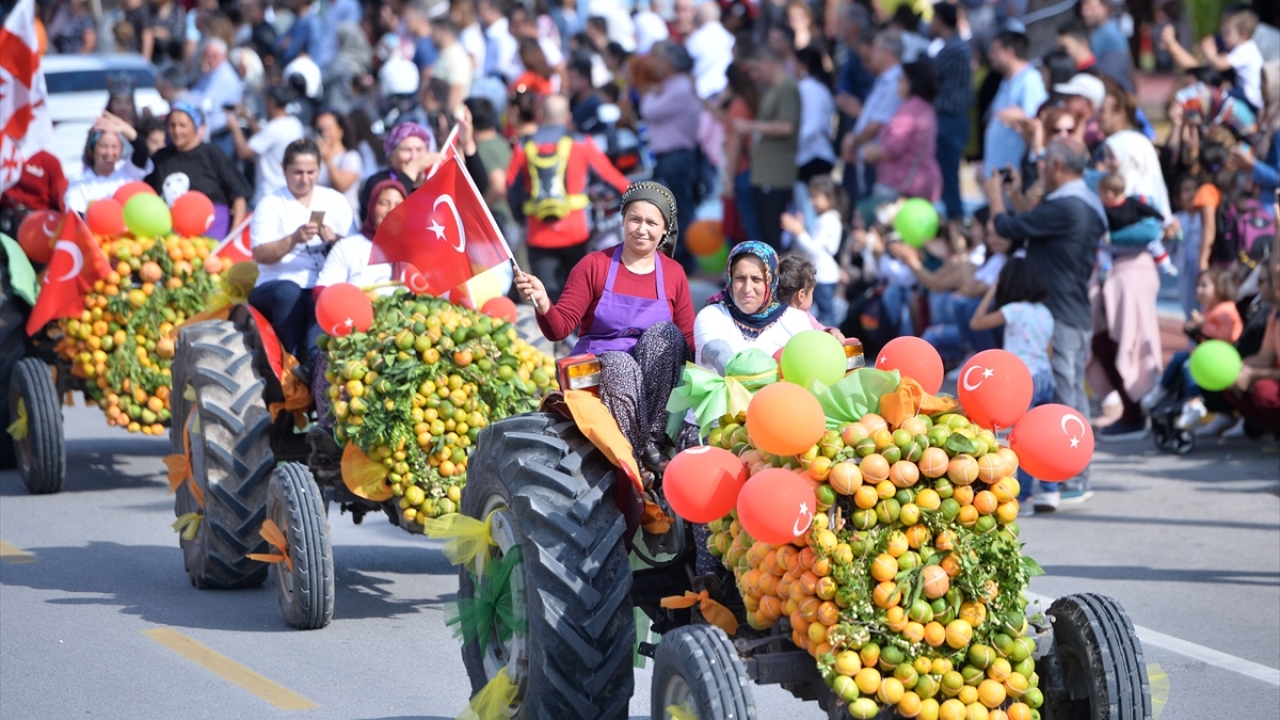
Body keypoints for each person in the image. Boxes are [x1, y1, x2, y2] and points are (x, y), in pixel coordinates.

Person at [514, 181, 694, 473]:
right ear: (622, 220)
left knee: (668, 336)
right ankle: (641, 456)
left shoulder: (674, 273)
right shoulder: (594, 265)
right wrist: (543, 301)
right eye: (634, 219)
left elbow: (688, 339)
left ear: (665, 230)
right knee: (621, 364)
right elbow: (559, 330)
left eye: (651, 223)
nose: (641, 229)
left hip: (653, 382)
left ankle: (654, 442)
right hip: (597, 371)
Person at [990, 139, 1106, 501]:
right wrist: (1015, 194)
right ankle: (1070, 476)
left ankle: (1071, 478)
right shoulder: (1080, 202)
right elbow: (1034, 223)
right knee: (1071, 396)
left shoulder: (1067, 206)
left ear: (1056, 165)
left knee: (1066, 399)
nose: (1040, 168)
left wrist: (994, 195)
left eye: (1044, 163)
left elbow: (1008, 227)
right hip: (1072, 312)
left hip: (1064, 316)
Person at [506, 94, 631, 303]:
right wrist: (637, 198)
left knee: (548, 301)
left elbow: (510, 188)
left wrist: (520, 218)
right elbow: (612, 178)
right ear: (568, 116)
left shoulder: (523, 145)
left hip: (538, 235)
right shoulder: (581, 142)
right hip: (577, 232)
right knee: (580, 296)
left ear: (540, 115)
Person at [249, 139, 355, 373]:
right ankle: (290, 363)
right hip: (277, 283)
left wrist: (334, 238)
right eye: (297, 172)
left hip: (321, 284)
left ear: (320, 170)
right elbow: (261, 254)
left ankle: (317, 370)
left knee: (325, 298)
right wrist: (293, 239)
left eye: (311, 172)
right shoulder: (270, 204)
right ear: (283, 169)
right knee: (289, 292)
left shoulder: (335, 200)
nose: (305, 179)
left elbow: (355, 248)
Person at [968, 249, 1056, 510]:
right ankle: (1050, 491)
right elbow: (1049, 350)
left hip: (1024, 379)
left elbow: (976, 322)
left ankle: (1025, 494)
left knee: (1023, 438)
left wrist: (991, 291)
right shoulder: (1045, 312)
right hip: (1045, 376)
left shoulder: (1013, 310)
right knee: (1045, 436)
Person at [694, 241, 839, 374]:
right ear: (730, 278)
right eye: (740, 278)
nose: (747, 288)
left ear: (771, 282)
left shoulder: (796, 320)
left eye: (756, 279)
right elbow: (718, 354)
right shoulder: (712, 315)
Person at [1143, 267, 1243, 430]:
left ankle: (1194, 401)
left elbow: (1226, 338)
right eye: (1198, 286)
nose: (1198, 290)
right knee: (1178, 357)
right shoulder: (1209, 310)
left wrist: (1203, 327)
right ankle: (1162, 389)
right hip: (1208, 354)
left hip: (1221, 358)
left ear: (1220, 288)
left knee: (1189, 365)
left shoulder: (1226, 311)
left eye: (1204, 286)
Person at [146, 101, 250, 238]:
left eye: (183, 125)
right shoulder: (161, 158)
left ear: (195, 126)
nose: (177, 131)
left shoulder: (212, 153)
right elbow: (147, 193)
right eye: (172, 125)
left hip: (213, 233)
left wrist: (233, 236)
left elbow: (239, 196)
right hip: (173, 237)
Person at [641, 41, 702, 268]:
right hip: (672, 158)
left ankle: (686, 261)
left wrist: (650, 93)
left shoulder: (680, 87)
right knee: (673, 209)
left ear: (669, 64)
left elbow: (649, 110)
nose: (654, 65)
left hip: (677, 157)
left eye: (659, 60)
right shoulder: (673, 85)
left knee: (679, 210)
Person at [739, 45, 800, 252]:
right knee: (766, 233)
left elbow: (787, 127)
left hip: (776, 175)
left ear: (767, 64)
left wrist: (750, 126)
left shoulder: (788, 88)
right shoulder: (773, 90)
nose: (754, 76)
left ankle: (776, 271)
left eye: (755, 69)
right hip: (764, 174)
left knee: (774, 234)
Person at [860, 60, 942, 212]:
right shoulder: (924, 106)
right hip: (919, 180)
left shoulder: (911, 110)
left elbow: (893, 147)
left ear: (913, 82)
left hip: (901, 184)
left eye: (902, 79)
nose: (898, 83)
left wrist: (872, 151)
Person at [1161, 5, 1263, 110]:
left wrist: (1210, 53)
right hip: (1247, 94)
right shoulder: (1241, 49)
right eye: (1222, 33)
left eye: (1227, 33)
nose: (1223, 37)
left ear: (1243, 35)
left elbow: (1219, 65)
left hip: (1249, 96)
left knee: (1214, 94)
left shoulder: (1245, 49)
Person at [842, 30, 904, 200]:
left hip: (876, 159)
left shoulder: (896, 82)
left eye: (874, 50)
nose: (871, 54)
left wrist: (854, 141)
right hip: (867, 157)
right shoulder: (883, 79)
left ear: (888, 53)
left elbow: (875, 125)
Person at [316, 179, 407, 294]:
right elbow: (323, 290)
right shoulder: (348, 247)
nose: (391, 210)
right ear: (372, 207)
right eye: (384, 203)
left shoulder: (416, 251)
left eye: (398, 205)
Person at [983, 25, 1047, 182]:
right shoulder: (1007, 81)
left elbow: (1038, 125)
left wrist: (1022, 119)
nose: (990, 56)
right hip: (999, 174)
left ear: (1009, 52)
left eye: (994, 51)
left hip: (1014, 175)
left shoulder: (1030, 81)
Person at [226, 85, 305, 205]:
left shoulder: (273, 129)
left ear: (271, 102)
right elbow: (265, 135)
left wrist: (234, 127)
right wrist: (247, 117)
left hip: (268, 195)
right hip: (287, 193)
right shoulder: (295, 124)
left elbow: (243, 152)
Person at [780, 175, 842, 327]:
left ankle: (831, 337)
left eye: (816, 197)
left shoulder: (828, 220)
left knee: (826, 316)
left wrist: (799, 231)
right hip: (822, 275)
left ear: (830, 198)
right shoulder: (825, 219)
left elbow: (814, 249)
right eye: (811, 197)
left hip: (824, 276)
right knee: (820, 314)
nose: (812, 202)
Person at [929, 2, 971, 223]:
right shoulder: (955, 46)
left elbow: (930, 77)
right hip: (951, 120)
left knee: (948, 177)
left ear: (940, 21)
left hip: (950, 120)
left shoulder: (954, 49)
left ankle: (956, 223)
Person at [64, 113, 154, 214]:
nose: (109, 153)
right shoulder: (78, 183)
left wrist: (125, 128)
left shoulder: (129, 171)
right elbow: (75, 215)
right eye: (103, 146)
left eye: (114, 147)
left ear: (121, 150)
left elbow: (142, 151)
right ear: (92, 149)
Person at [1096, 172, 1174, 278]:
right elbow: (1147, 209)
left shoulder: (1105, 210)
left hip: (1119, 246)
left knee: (1102, 248)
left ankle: (1106, 268)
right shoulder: (1132, 202)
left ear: (1109, 194)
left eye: (1099, 194)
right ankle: (1166, 266)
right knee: (1155, 245)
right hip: (1141, 244)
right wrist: (1161, 217)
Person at [357, 122, 436, 221]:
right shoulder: (377, 183)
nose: (414, 157)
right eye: (407, 150)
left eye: (419, 150)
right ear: (391, 156)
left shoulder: (435, 182)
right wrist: (411, 170)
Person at [190, 38, 245, 158]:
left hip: (221, 136)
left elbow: (206, 104)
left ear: (223, 56)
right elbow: (195, 94)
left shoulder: (225, 77)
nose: (208, 59)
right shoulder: (212, 72)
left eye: (213, 56)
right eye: (206, 55)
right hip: (212, 135)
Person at [0, 151, 67, 239]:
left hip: (37, 227)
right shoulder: (5, 150)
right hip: (5, 218)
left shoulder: (48, 159)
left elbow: (62, 199)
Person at [313, 110, 364, 213]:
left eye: (328, 129)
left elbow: (341, 186)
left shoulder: (351, 157)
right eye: (320, 130)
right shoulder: (314, 158)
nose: (324, 134)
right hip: (319, 213)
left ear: (341, 130)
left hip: (344, 214)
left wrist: (328, 159)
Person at [1078, 0, 1133, 93]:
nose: (1085, 12)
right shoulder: (1097, 31)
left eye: (1090, 8)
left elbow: (1127, 59)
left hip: (1115, 91)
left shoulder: (1109, 31)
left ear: (1105, 8)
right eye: (1083, 7)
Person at [685, 1, 735, 99]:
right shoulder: (730, 38)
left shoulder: (695, 38)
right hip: (722, 93)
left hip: (700, 94)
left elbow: (685, 66)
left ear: (701, 17)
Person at [432, 18, 473, 115]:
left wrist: (448, 118)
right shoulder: (445, 53)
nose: (431, 36)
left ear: (445, 32)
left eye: (434, 32)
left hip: (452, 118)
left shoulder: (457, 57)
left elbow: (455, 94)